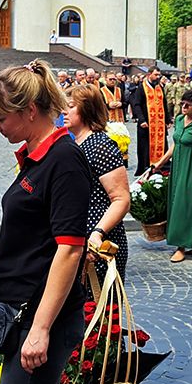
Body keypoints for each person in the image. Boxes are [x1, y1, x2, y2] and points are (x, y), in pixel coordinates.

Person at [0, 61, 90, 384]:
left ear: (29, 111)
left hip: (41, 316)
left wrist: (40, 329)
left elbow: (70, 250)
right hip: (24, 311)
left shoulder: (64, 159)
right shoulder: (38, 155)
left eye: (1, 119)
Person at [65, 85, 131, 279]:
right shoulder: (74, 144)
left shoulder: (101, 145)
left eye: (70, 106)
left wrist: (98, 232)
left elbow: (121, 199)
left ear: (87, 109)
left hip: (99, 241)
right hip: (78, 237)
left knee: (97, 296)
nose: (64, 111)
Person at [148, 90, 192, 263]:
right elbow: (175, 145)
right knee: (181, 203)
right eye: (182, 103)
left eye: (188, 105)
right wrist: (160, 163)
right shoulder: (178, 120)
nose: (183, 107)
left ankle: (181, 246)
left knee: (184, 206)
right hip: (177, 167)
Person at [130, 67, 169, 176]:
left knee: (162, 144)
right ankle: (146, 167)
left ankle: (162, 165)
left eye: (159, 75)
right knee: (145, 146)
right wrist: (141, 119)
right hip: (146, 123)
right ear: (149, 75)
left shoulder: (159, 87)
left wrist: (168, 119)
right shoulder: (141, 87)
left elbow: (164, 103)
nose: (158, 77)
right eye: (156, 75)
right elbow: (136, 105)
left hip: (159, 123)